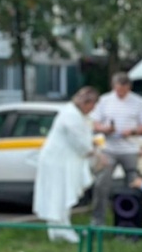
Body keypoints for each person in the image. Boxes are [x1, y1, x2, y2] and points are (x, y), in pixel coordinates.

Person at [33, 86, 100, 243]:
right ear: (86, 103)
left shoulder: (76, 113)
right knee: (58, 195)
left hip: (64, 161)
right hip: (57, 162)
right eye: (93, 104)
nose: (94, 108)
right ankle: (59, 229)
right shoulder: (71, 115)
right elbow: (80, 143)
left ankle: (60, 228)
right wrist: (95, 152)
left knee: (61, 195)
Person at [90, 71, 142, 226]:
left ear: (129, 87)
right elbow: (95, 124)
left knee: (133, 184)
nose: (121, 92)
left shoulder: (137, 102)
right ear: (114, 86)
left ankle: (134, 219)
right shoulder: (104, 100)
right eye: (118, 89)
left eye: (124, 90)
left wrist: (132, 131)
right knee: (102, 183)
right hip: (109, 148)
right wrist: (105, 129)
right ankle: (98, 220)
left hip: (130, 149)